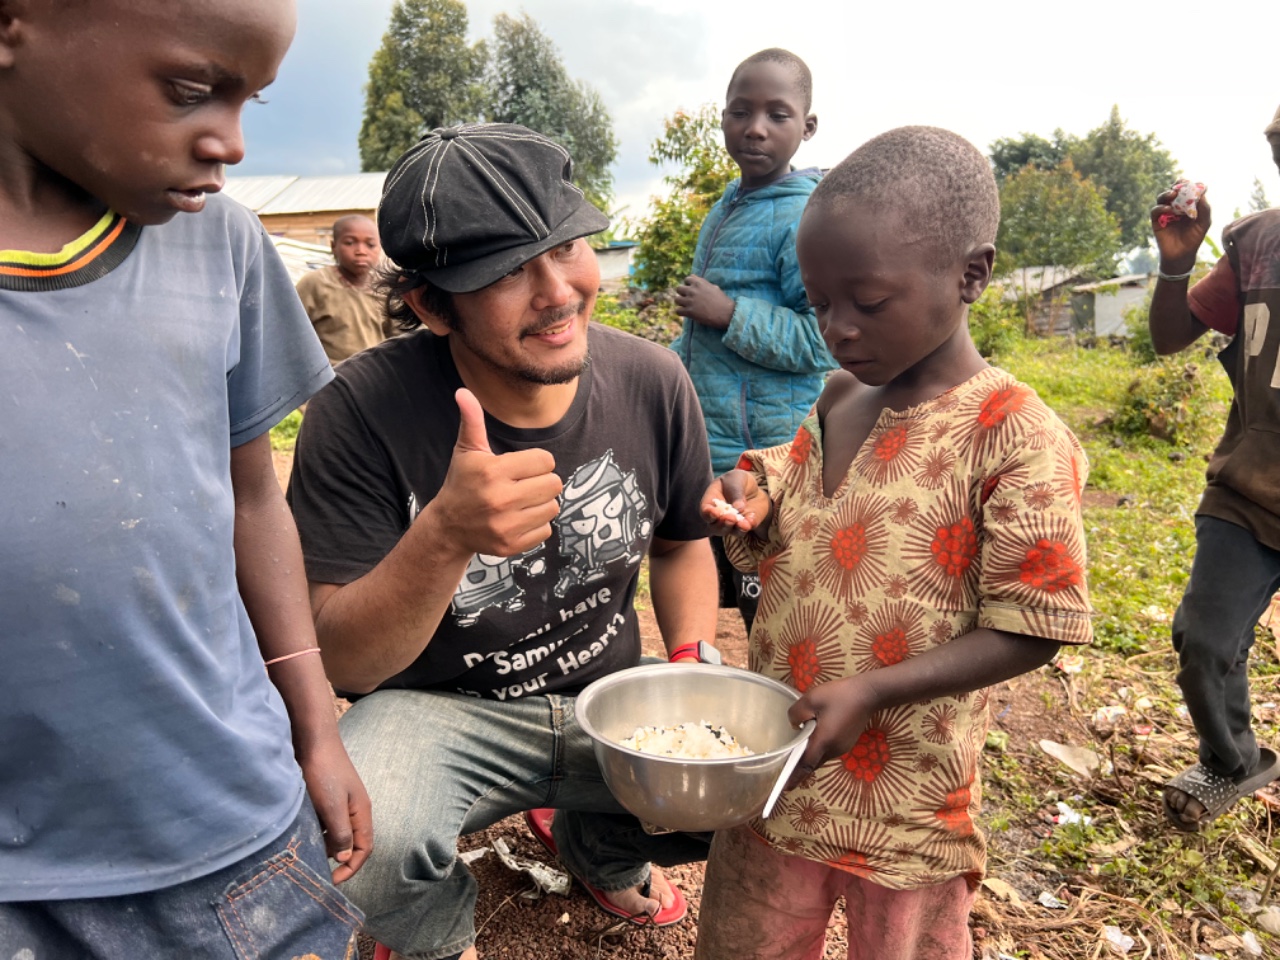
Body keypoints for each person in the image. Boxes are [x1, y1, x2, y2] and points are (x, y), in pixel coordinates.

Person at [287, 123, 719, 960]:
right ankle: (429, 929)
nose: (558, 292)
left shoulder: (653, 379)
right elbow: (347, 662)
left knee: (749, 778)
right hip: (439, 713)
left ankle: (599, 847)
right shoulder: (358, 411)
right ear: (429, 305)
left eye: (566, 248)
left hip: (606, 699)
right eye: (507, 272)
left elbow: (679, 544)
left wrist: (691, 658)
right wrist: (444, 536)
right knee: (352, 831)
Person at [0, 1, 372, 958]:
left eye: (251, 101)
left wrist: (317, 728)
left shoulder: (221, 247)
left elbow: (254, 499)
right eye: (192, 89)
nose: (232, 142)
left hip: (231, 836)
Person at [694, 127, 1094, 960]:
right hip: (781, 774)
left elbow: (1033, 623)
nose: (838, 329)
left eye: (868, 303)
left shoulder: (1014, 434)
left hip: (908, 803)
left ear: (971, 275)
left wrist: (874, 690)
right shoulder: (838, 399)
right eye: (818, 304)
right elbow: (793, 483)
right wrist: (746, 493)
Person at [671, 48, 835, 633]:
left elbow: (823, 341)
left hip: (768, 455)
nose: (755, 128)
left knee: (772, 608)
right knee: (721, 592)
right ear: (722, 118)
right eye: (740, 111)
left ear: (807, 128)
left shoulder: (803, 218)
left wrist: (729, 314)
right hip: (714, 450)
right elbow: (704, 349)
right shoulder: (726, 208)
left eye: (777, 114)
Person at [1149, 105, 1280, 833]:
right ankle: (1233, 762)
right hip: (1252, 487)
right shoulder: (1259, 244)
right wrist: (1177, 263)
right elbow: (1172, 335)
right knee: (1204, 642)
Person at [296, 214, 395, 365]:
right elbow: (293, 332)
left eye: (370, 245)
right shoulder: (315, 283)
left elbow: (398, 336)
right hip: (332, 373)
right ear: (333, 247)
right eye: (350, 243)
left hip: (374, 371)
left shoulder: (385, 288)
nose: (361, 251)